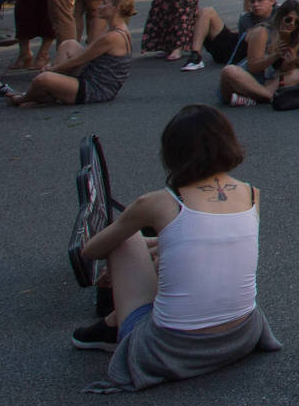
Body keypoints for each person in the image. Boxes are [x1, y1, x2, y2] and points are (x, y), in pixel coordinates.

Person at [68, 104, 280, 390]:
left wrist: (141, 247)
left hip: (172, 349)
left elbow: (91, 251)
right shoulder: (251, 193)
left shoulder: (156, 203)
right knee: (182, 250)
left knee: (124, 239)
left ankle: (113, 325)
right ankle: (112, 319)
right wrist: (161, 245)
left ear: (173, 152)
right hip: (242, 335)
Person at [10, 0, 132, 108]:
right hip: (93, 76)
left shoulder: (112, 37)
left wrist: (52, 69)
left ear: (116, 8)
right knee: (68, 44)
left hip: (96, 89)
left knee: (43, 79)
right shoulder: (118, 29)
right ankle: (50, 92)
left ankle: (28, 97)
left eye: (104, 3)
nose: (100, 7)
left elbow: (78, 61)